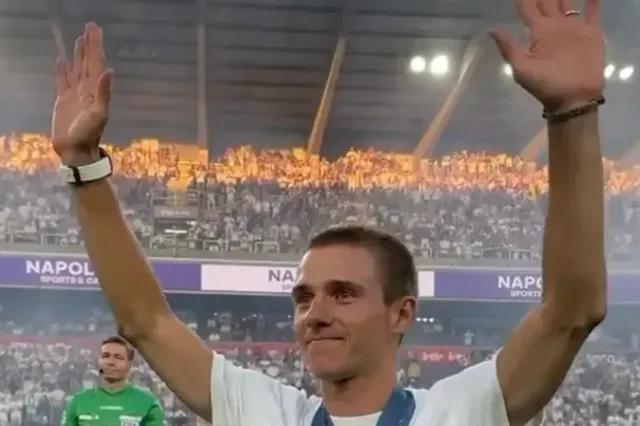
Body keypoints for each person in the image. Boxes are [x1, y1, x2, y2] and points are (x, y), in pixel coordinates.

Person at [49, 0, 606, 424]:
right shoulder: (265, 410)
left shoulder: (460, 409)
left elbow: (571, 312)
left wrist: (572, 113)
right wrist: (83, 164)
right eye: (304, 297)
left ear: (402, 313)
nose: (314, 313)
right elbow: (145, 320)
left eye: (343, 293)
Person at [61, 336, 164, 426]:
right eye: (105, 356)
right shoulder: (78, 401)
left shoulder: (148, 403)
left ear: (129, 365)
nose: (111, 362)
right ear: (99, 361)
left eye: (118, 357)